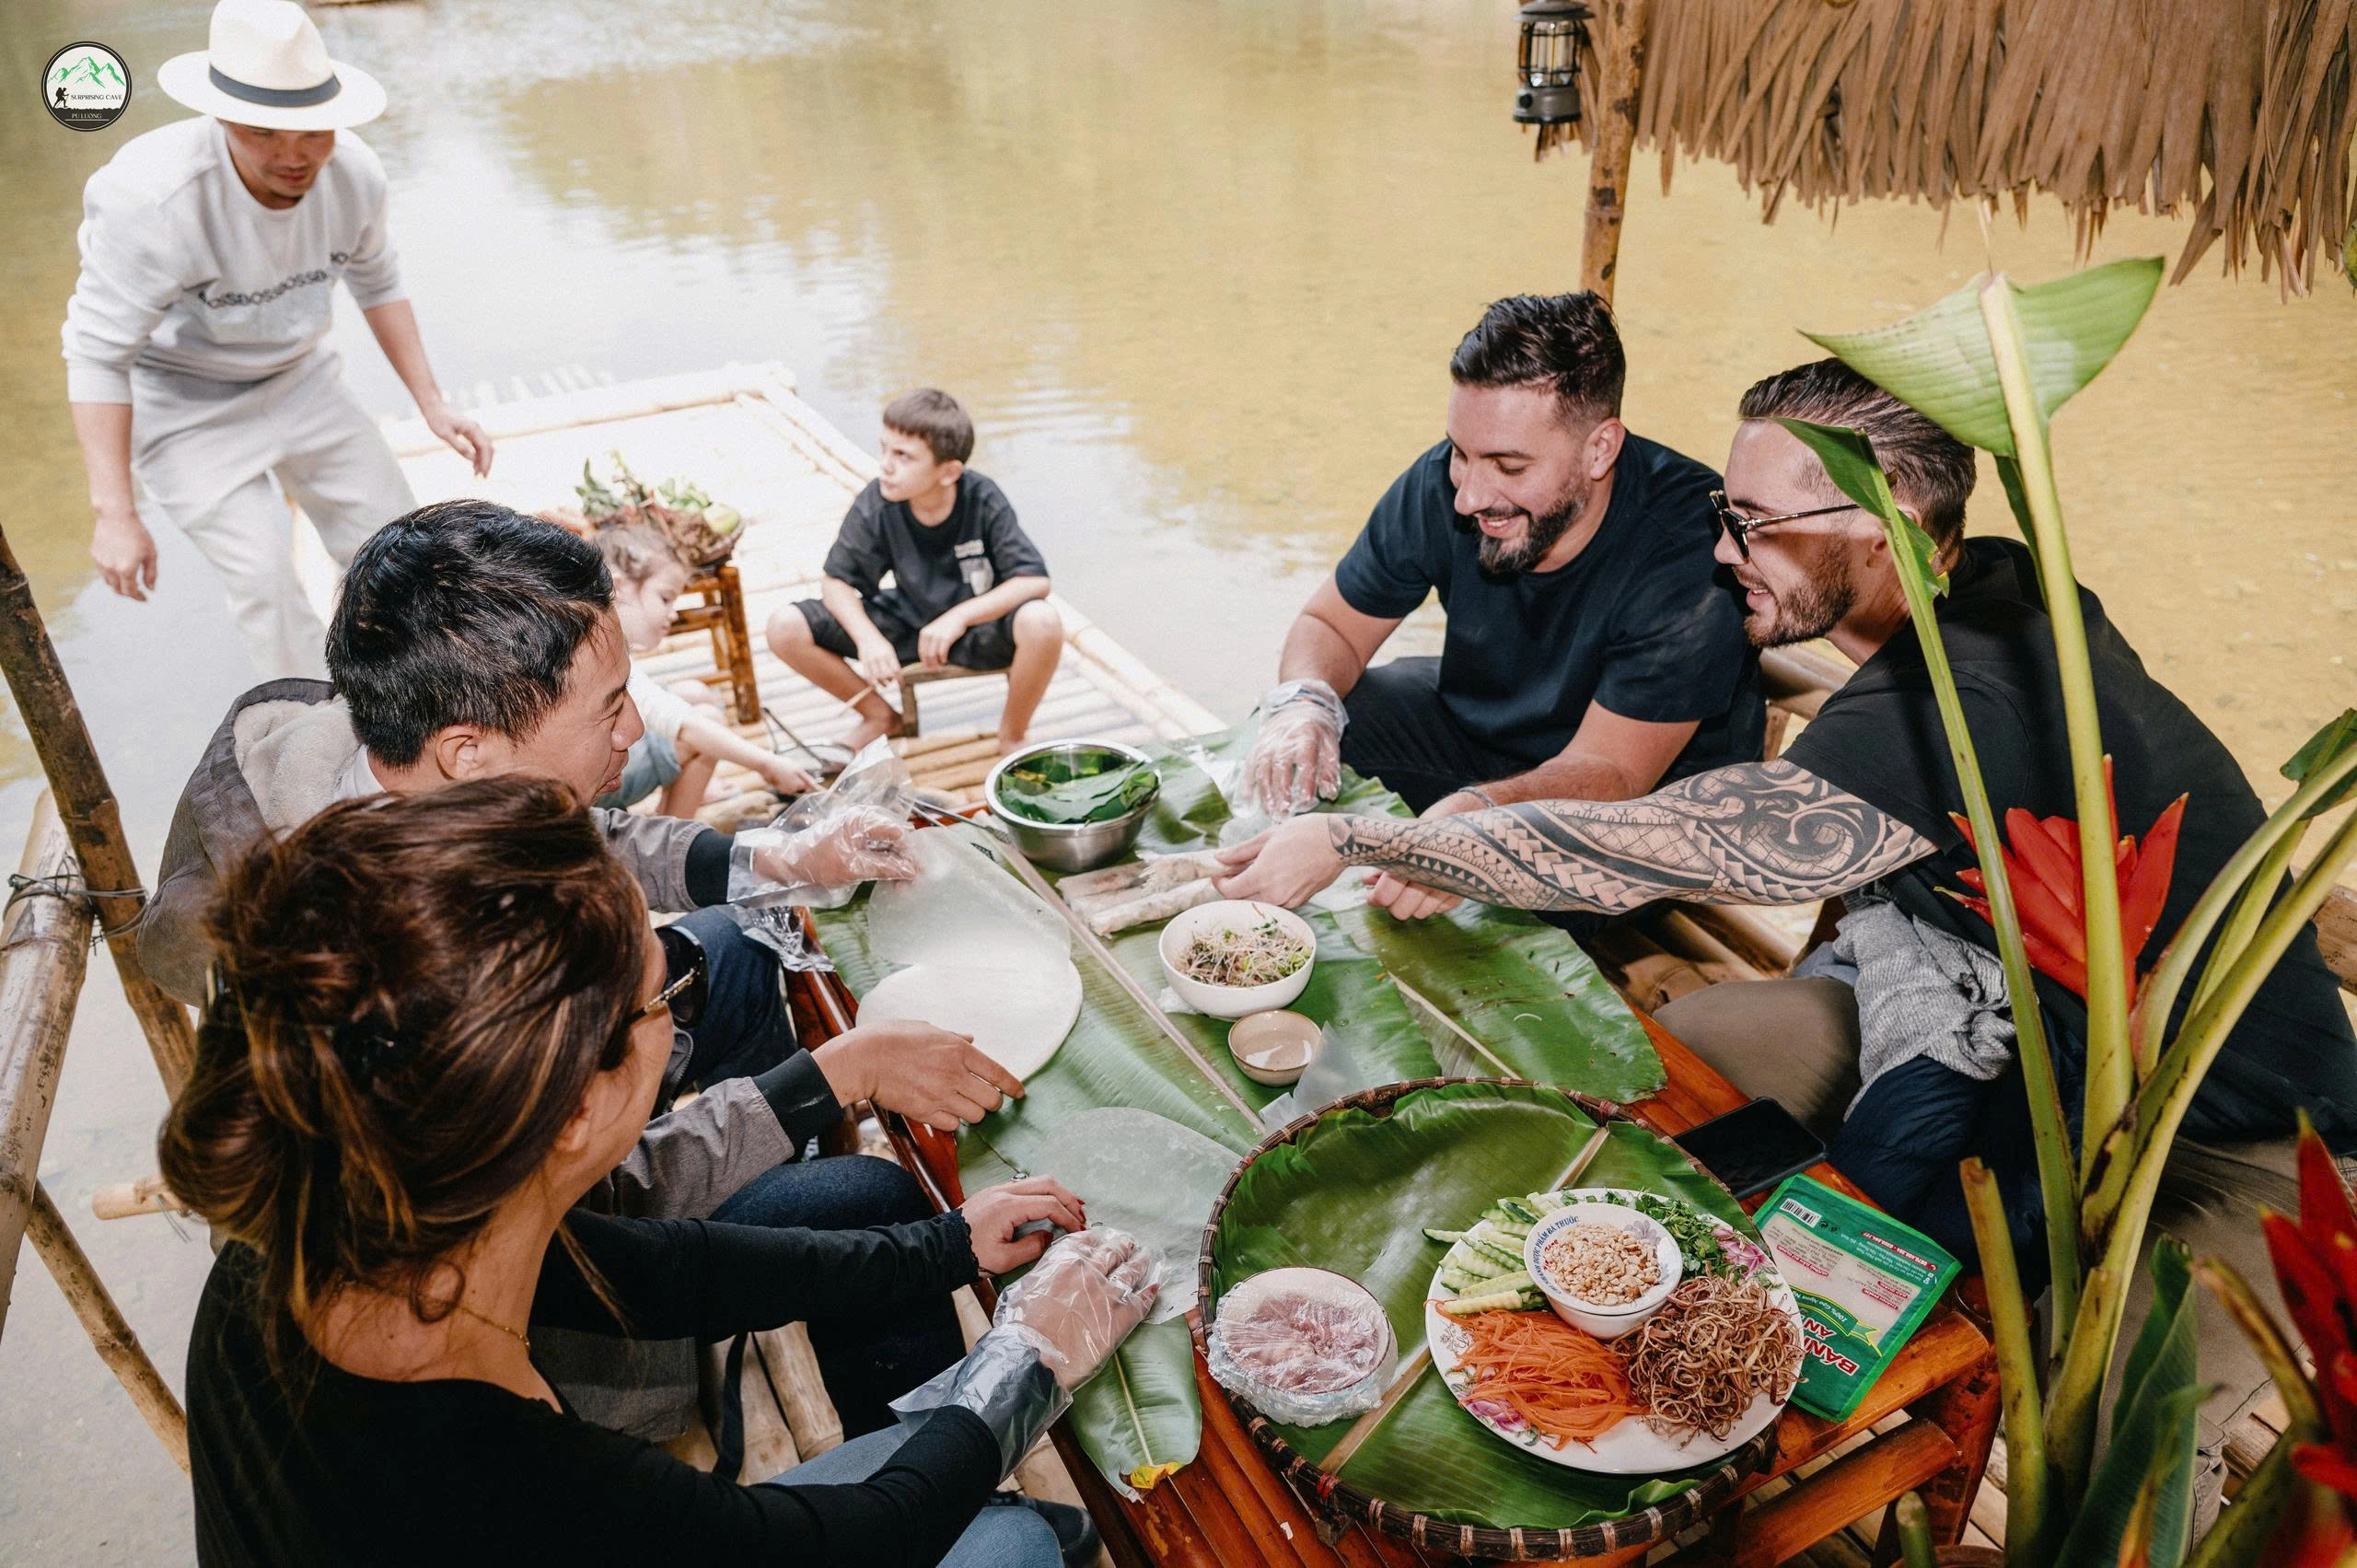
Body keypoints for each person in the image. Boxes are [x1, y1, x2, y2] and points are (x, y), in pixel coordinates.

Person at [1215, 357, 2357, 1283]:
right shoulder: (1975, 589)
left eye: (1754, 522)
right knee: (1675, 1076)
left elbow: (1685, 840)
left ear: (1887, 522)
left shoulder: (1976, 686)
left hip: (2218, 1130)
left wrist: (1364, 837)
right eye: (1725, 512)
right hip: (1973, 1002)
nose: (1721, 549)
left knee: (1909, 1314)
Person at [142, 500, 1025, 1438]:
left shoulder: (383, 761)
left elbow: (579, 826)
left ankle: (787, 1165)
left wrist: (776, 856)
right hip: (538, 1300)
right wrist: (836, 1074)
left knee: (731, 945)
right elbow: (596, 1210)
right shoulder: (403, 990)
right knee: (866, 1201)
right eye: (608, 707)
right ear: (469, 751)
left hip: (548, 1160)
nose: (637, 727)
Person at [165, 777, 1149, 1565]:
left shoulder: (354, 1218)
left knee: (964, 1482)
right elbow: (851, 1538)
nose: (681, 1012)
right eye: (662, 996)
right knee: (1010, 1542)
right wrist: (1029, 1356)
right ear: (577, 1109)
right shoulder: (519, 1485)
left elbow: (664, 1266)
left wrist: (945, 1243)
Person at [1237, 292, 1762, 932]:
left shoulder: (1690, 550)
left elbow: (1613, 770)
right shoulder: (1448, 481)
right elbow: (1332, 626)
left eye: (1509, 466)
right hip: (1487, 742)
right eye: (1461, 452)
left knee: (1490, 897)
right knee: (1331, 722)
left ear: (1600, 449)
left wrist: (1466, 822)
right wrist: (1304, 703)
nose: (1470, 496)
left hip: (1633, 810)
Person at [62, 0, 493, 679]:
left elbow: (378, 282)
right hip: (185, 403)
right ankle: (311, 739)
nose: (295, 156)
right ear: (223, 116)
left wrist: (432, 402)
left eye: (313, 130)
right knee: (264, 580)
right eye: (265, 131)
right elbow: (96, 354)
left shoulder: (354, 174)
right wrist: (114, 512)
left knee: (398, 551)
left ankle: (412, 701)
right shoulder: (152, 199)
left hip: (301, 378)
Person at [767, 388, 1062, 754]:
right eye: (884, 449)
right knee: (785, 626)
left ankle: (1013, 734)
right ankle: (879, 717)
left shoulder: (982, 497)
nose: (886, 465)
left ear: (949, 471)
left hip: (978, 629)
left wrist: (958, 618)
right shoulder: (878, 500)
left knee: (1041, 621)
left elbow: (1034, 579)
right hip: (908, 622)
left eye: (904, 456)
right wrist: (867, 639)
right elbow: (837, 582)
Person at [596, 523, 819, 817]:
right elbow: (680, 722)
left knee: (694, 694)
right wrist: (768, 764)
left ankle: (684, 798)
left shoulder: (602, 630)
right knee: (705, 723)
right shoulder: (602, 649)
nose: (672, 614)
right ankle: (670, 834)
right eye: (665, 598)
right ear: (618, 586)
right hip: (591, 785)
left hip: (600, 753)